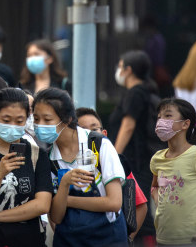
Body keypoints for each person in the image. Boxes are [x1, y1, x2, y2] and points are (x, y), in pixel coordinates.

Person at [33, 88, 128, 247]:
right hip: (68, 240)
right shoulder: (47, 158)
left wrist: (67, 200)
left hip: (108, 238)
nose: (39, 125)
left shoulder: (98, 145)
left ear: (68, 119)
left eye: (47, 119)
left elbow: (114, 202)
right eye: (36, 119)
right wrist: (64, 184)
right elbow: (56, 217)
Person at [0, 88, 53, 246]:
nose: (13, 126)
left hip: (29, 239)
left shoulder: (37, 155)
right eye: (6, 120)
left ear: (27, 119)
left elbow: (42, 205)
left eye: (19, 121)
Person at [76, 107, 148, 245]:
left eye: (94, 129)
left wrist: (128, 239)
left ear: (104, 133)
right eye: (83, 129)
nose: (89, 133)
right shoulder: (68, 166)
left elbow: (141, 206)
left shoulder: (117, 165)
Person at [108, 50, 158, 242]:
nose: (118, 70)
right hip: (138, 161)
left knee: (138, 209)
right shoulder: (142, 91)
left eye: (120, 66)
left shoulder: (136, 92)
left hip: (134, 161)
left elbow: (128, 126)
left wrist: (113, 156)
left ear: (128, 70)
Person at [150, 98, 196, 245]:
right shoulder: (157, 159)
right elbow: (155, 187)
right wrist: (160, 202)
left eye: (168, 116)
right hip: (163, 238)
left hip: (193, 239)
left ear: (185, 124)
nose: (161, 121)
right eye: (159, 117)